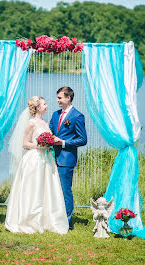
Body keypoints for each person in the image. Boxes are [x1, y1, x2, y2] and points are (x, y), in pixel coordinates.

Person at [5, 96, 69, 234]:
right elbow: (25, 144)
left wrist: (52, 141)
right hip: (34, 159)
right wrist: (40, 145)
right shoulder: (31, 123)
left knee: (46, 188)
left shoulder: (45, 123)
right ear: (38, 107)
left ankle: (47, 219)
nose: (47, 106)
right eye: (44, 104)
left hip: (47, 160)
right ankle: (30, 220)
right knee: (33, 189)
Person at [49, 86, 87, 230]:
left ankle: (67, 221)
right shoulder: (54, 114)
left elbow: (83, 139)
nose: (57, 100)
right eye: (57, 98)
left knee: (65, 190)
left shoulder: (77, 116)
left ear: (68, 98)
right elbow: (50, 132)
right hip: (51, 158)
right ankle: (54, 217)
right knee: (52, 189)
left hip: (66, 159)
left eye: (60, 98)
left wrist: (63, 142)